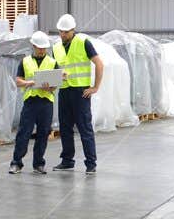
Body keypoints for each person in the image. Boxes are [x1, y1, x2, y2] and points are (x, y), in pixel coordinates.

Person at [52, 13, 105, 173]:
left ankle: (91, 163)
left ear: (73, 30)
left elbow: (99, 64)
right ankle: (67, 161)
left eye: (66, 32)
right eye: (60, 31)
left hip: (81, 93)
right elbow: (56, 69)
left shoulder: (83, 42)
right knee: (65, 128)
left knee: (84, 128)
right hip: (64, 91)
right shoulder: (55, 47)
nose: (63, 34)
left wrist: (95, 87)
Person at [10, 31, 60, 174]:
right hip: (30, 102)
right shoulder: (25, 61)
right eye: (39, 47)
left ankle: (38, 163)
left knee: (43, 133)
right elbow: (18, 81)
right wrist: (30, 82)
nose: (42, 50)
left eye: (44, 48)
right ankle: (16, 163)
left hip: (46, 102)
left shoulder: (52, 62)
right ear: (33, 46)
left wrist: (50, 86)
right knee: (23, 133)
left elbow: (55, 84)